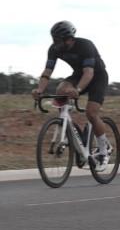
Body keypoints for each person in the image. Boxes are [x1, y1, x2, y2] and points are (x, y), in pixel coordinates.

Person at [31, 21, 112, 172]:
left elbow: (89, 73)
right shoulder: (54, 49)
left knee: (91, 113)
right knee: (61, 88)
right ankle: (65, 122)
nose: (56, 43)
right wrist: (39, 90)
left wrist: (78, 89)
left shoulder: (85, 45)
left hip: (97, 76)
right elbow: (47, 71)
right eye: (54, 39)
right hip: (79, 74)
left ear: (69, 38)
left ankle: (104, 149)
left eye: (59, 40)